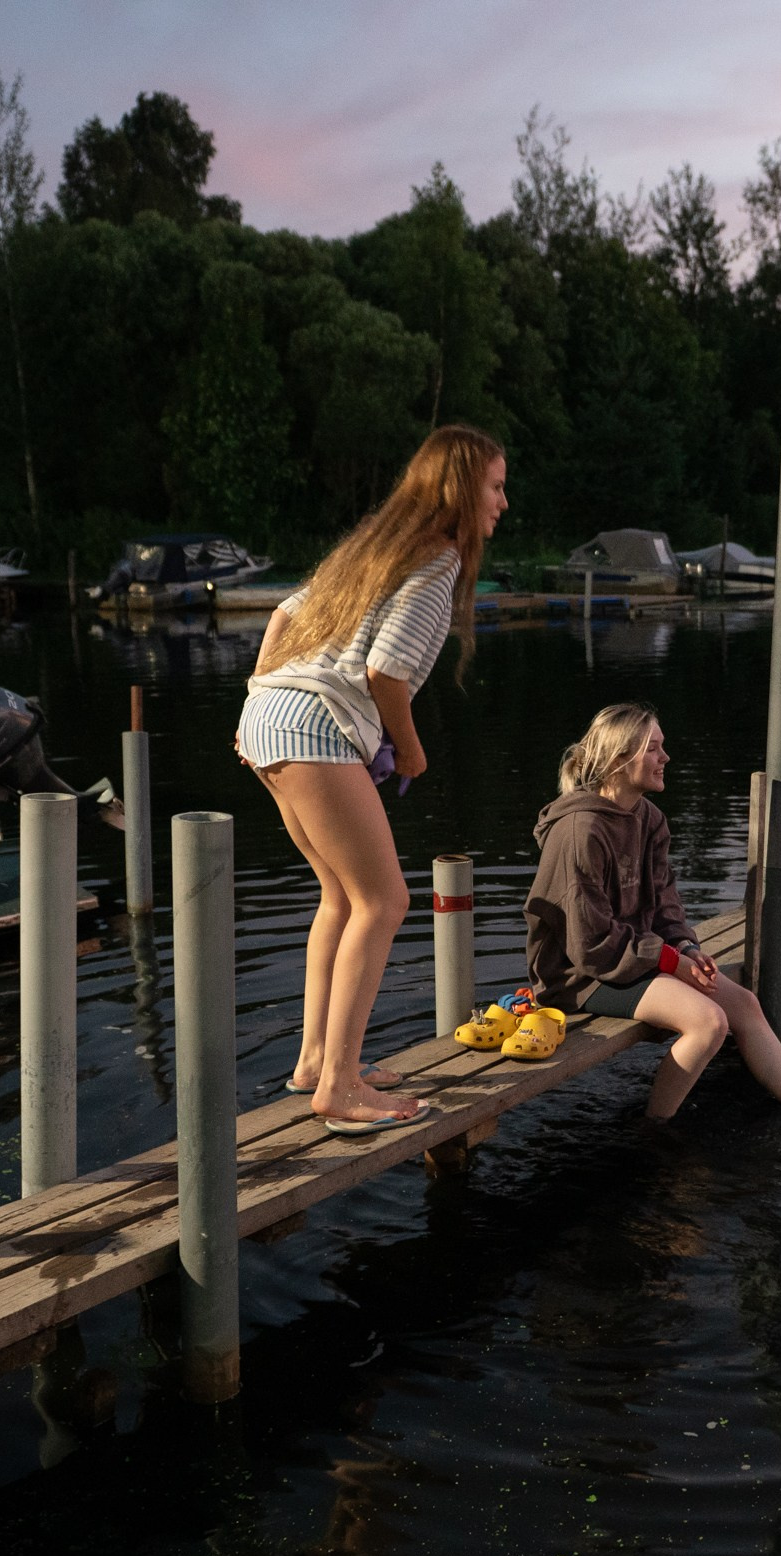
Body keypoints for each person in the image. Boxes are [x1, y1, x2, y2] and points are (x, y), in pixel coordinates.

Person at [236, 424, 507, 1133]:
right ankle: (341, 1086)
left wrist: (257, 696)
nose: (503, 503)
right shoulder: (439, 559)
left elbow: (283, 613)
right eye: (496, 486)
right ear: (460, 489)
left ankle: (315, 1061)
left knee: (341, 896)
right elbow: (386, 673)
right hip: (313, 725)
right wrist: (411, 750)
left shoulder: (372, 547)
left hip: (268, 715)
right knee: (385, 900)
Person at [525, 703, 781, 1127]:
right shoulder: (579, 832)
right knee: (707, 1023)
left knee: (745, 1005)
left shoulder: (650, 820)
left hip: (633, 958)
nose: (665, 758)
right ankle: (656, 1130)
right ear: (618, 759)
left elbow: (665, 906)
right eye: (654, 748)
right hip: (579, 974)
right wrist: (670, 961)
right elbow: (589, 943)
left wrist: (685, 947)